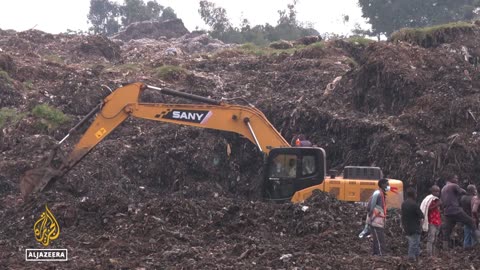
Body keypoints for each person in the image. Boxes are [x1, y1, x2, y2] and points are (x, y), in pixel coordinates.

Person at [441, 174, 478, 249]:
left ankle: (445, 249)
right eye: (456, 178)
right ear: (451, 178)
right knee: (471, 222)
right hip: (455, 210)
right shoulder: (453, 185)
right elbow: (462, 191)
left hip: (447, 212)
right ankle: (478, 242)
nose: (457, 179)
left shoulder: (443, 188)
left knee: (447, 232)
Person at [365, 178, 390, 256]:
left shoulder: (381, 194)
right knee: (379, 239)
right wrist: (371, 215)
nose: (388, 186)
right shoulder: (377, 193)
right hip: (376, 220)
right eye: (387, 184)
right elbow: (370, 206)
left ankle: (376, 253)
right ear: (382, 185)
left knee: (377, 238)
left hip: (378, 220)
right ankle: (380, 254)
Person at [402, 187, 424, 261]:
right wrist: (421, 226)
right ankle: (411, 258)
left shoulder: (404, 204)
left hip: (407, 226)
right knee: (414, 243)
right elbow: (421, 216)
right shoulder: (414, 205)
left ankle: (417, 258)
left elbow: (403, 215)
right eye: (416, 194)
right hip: (415, 227)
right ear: (414, 195)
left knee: (413, 242)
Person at [420, 185, 442, 256]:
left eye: (438, 191)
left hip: (437, 221)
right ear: (432, 191)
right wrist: (437, 204)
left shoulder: (436, 199)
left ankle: (434, 254)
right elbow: (427, 209)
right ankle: (429, 254)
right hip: (431, 221)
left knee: (435, 239)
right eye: (436, 191)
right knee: (431, 239)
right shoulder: (430, 199)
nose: (437, 193)